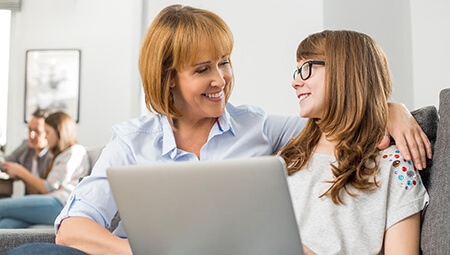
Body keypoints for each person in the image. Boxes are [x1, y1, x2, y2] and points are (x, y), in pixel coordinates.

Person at [4, 5, 430, 255]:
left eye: (224, 62)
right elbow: (73, 226)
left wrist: (389, 108)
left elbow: (339, 122)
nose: (221, 78)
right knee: (35, 251)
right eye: (203, 69)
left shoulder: (266, 130)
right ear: (169, 78)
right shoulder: (132, 140)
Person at [279, 30, 429, 254]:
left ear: (345, 73)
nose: (295, 81)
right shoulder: (286, 159)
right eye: (297, 70)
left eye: (307, 69)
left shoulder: (395, 166)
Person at [0, 111, 90, 228]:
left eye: (47, 132)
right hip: (51, 202)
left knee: (2, 207)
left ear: (59, 133)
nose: (46, 136)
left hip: (60, 203)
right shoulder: (60, 154)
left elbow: (47, 187)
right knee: (6, 225)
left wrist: (21, 172)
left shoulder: (75, 152)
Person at [1, 109, 53, 183]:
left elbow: (48, 187)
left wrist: (21, 172)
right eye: (30, 129)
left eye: (37, 131)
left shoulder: (53, 155)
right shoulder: (26, 146)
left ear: (48, 133)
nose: (31, 136)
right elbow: (6, 162)